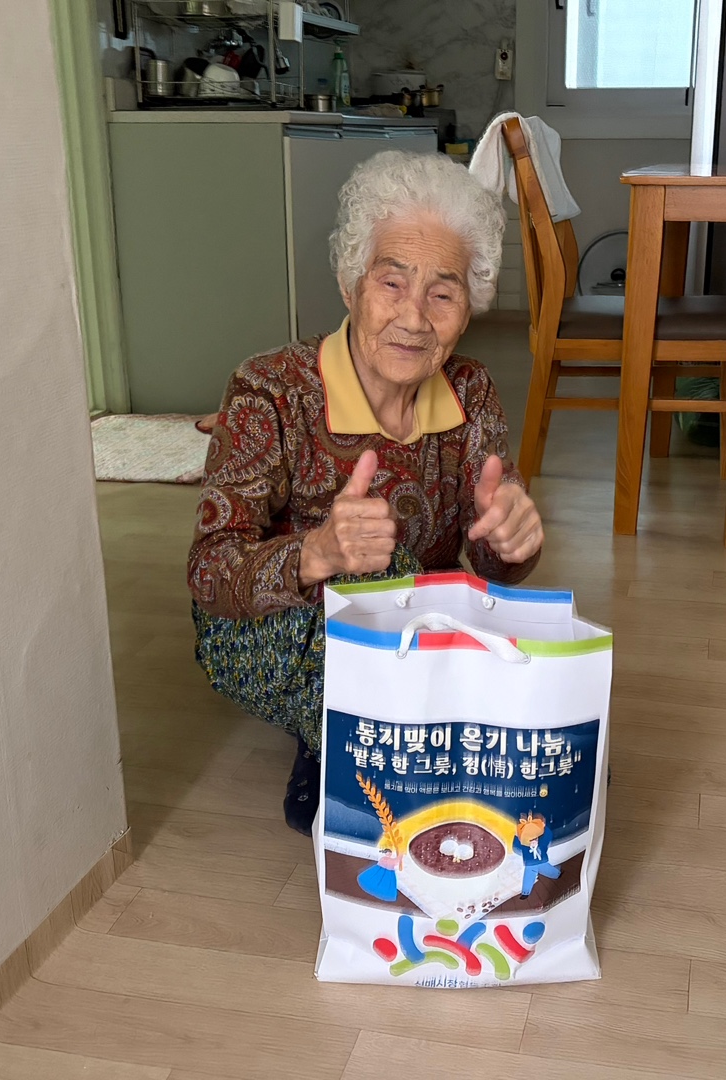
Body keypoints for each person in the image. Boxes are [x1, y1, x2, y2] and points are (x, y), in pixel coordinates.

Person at [187, 151, 544, 835]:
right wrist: (317, 553)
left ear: (467, 310)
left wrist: (512, 538)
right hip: (272, 628)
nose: (414, 317)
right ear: (352, 285)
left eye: (443, 294)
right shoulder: (270, 389)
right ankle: (332, 740)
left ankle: (396, 745)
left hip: (406, 630)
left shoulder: (470, 392)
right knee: (382, 576)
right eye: (392, 282)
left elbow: (493, 571)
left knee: (425, 604)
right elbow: (209, 570)